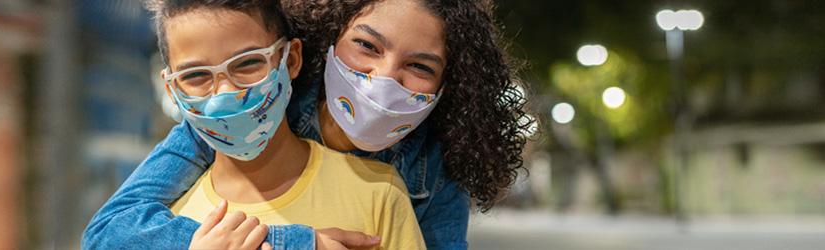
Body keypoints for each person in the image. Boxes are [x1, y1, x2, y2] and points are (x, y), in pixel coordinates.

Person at [83, 0, 532, 249]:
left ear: (447, 86)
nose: (384, 80)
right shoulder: (248, 110)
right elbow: (111, 230)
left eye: (419, 66)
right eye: (367, 46)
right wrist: (290, 244)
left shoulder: (429, 169)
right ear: (330, 38)